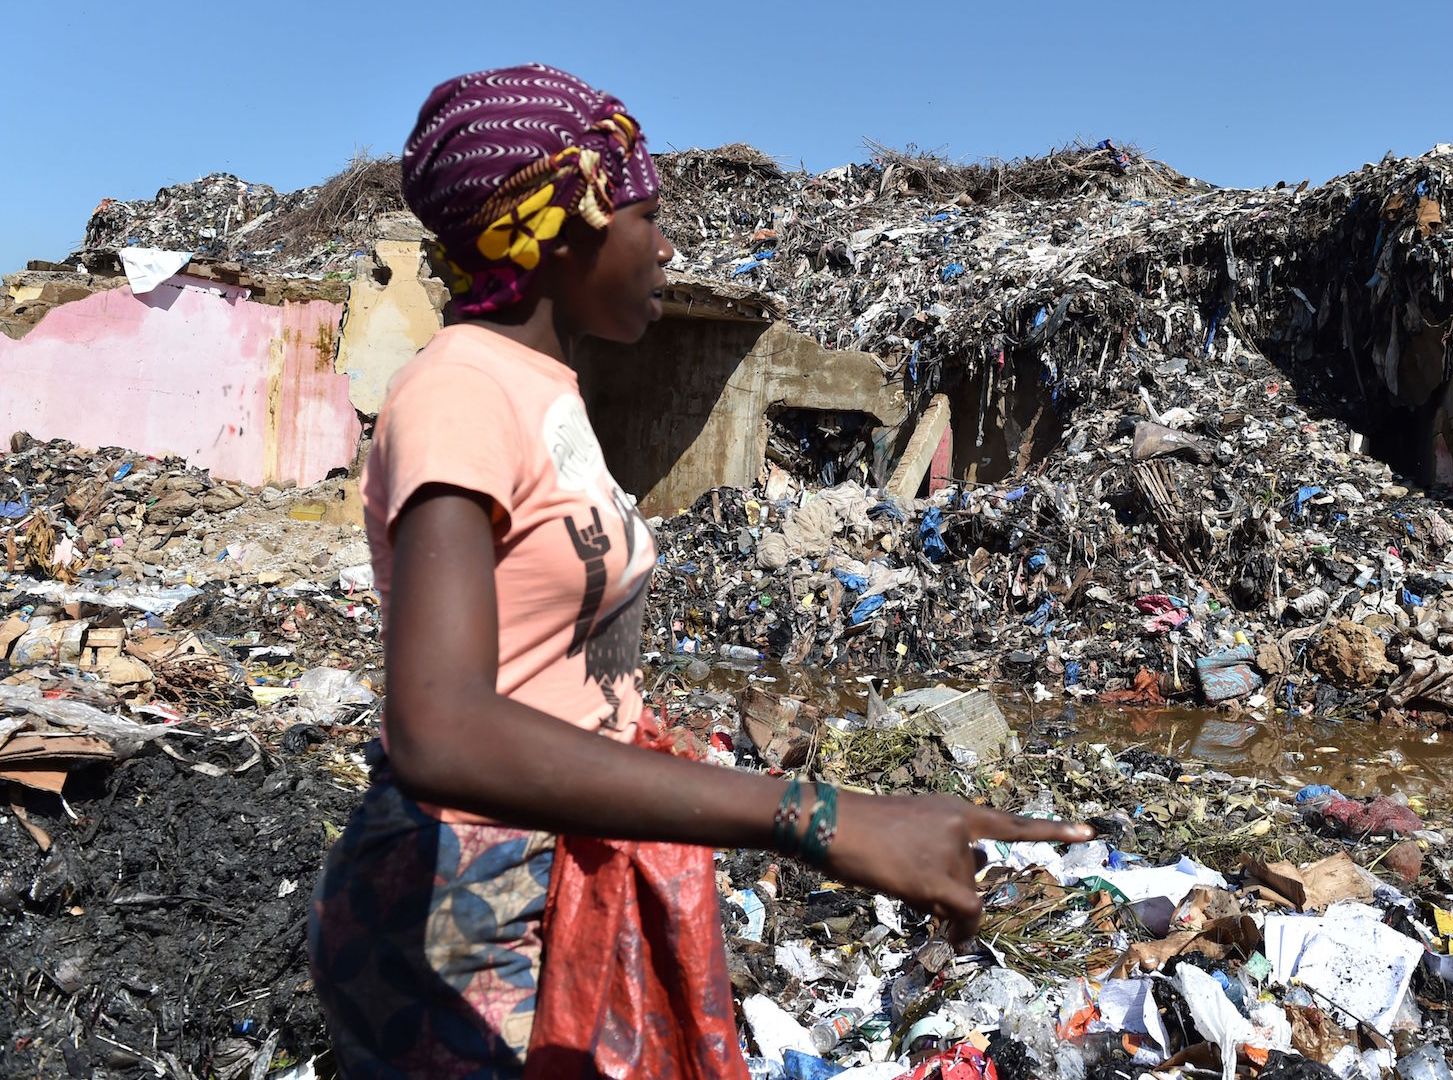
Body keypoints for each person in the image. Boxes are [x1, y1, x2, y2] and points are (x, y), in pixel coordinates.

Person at [307, 64, 1090, 1079]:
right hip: (468, 917)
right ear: (563, 229)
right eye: (647, 214)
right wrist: (805, 814)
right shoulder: (458, 394)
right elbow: (439, 724)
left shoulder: (536, 387)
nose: (666, 246)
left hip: (549, 872)